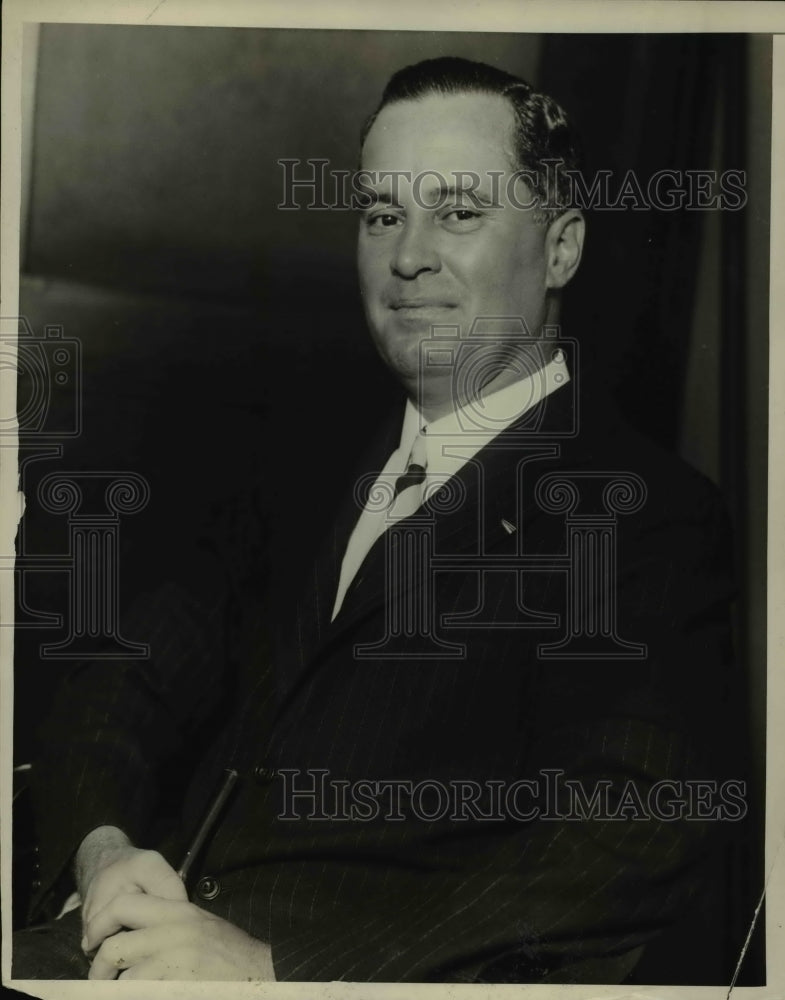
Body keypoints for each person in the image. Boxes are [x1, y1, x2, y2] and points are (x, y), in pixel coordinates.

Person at [14, 56, 736, 983]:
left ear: (561, 248)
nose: (405, 256)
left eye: (459, 213)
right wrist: (103, 853)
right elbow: (121, 685)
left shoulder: (644, 517)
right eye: (382, 214)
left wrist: (280, 968)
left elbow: (623, 832)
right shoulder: (296, 471)